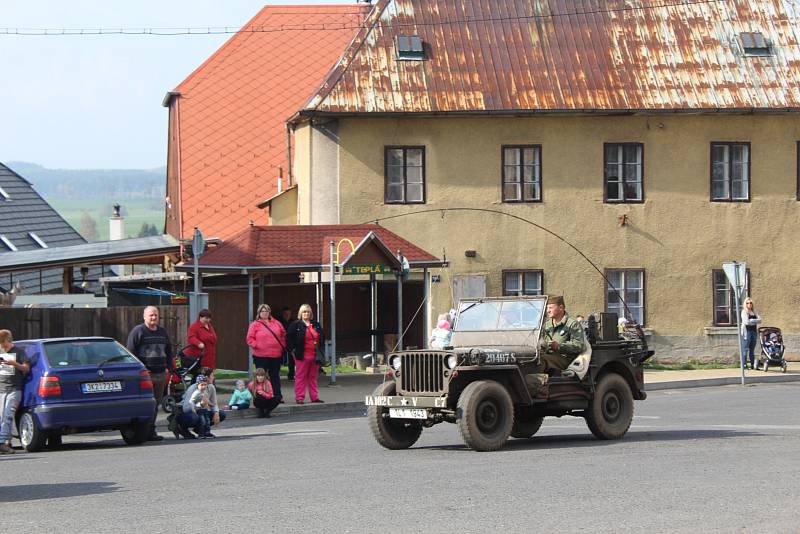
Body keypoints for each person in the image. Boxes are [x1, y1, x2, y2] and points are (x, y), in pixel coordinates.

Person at [126, 306, 173, 441]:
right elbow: (130, 352)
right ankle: (141, 432)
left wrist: (168, 367)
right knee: (145, 404)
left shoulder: (162, 332)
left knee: (156, 404)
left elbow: (169, 351)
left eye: (156, 315)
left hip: (160, 374)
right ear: (144, 316)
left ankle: (151, 432)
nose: (153, 318)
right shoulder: (138, 331)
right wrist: (142, 370)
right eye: (151, 315)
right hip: (146, 375)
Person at [246, 303, 286, 403]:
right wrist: (257, 345)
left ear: (269, 312)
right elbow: (249, 338)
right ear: (259, 313)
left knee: (275, 376)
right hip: (260, 355)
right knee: (260, 377)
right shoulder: (255, 324)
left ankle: (277, 396)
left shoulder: (277, 323)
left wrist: (282, 346)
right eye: (263, 311)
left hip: (275, 355)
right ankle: (260, 396)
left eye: (267, 311)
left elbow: (283, 335)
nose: (265, 313)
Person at [286, 303, 325, 404]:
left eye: (308, 311)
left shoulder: (316, 324)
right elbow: (288, 338)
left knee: (313, 377)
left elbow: (322, 337)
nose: (306, 313)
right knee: (300, 377)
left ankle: (314, 397)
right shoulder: (295, 325)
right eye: (304, 311)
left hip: (315, 355)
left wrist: (321, 348)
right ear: (300, 313)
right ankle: (299, 397)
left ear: (311, 313)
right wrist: (292, 351)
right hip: (301, 355)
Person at [0, 330, 30, 454]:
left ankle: (2, 443)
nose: (3, 347)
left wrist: (14, 364)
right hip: (1, 389)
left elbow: (26, 369)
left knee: (7, 415)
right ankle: (6, 442)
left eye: (4, 344)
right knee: (2, 417)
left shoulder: (19, 352)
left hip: (14, 389)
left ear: (9, 340)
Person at [537, 296, 585, 374]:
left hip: (565, 359)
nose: (547, 311)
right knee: (532, 358)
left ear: (561, 307)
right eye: (547, 308)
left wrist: (559, 346)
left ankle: (538, 384)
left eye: (550, 308)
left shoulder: (572, 324)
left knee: (540, 359)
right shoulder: (547, 325)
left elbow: (579, 345)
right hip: (550, 356)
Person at [176, 367, 226, 439]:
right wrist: (200, 405)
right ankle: (181, 427)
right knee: (195, 417)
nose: (214, 377)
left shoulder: (211, 387)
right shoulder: (194, 388)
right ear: (206, 377)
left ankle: (201, 430)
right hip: (186, 413)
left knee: (221, 414)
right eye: (212, 375)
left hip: (202, 410)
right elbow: (186, 408)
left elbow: (214, 403)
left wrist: (216, 413)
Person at [183, 309, 218, 380]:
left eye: (209, 318)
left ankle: (210, 389)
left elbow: (213, 338)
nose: (208, 320)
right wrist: (199, 343)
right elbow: (191, 338)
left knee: (210, 375)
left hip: (210, 356)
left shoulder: (210, 326)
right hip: (199, 357)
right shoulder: (194, 326)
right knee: (199, 376)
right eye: (206, 318)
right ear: (200, 317)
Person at [741, 297, 762, 370]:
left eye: (750, 303)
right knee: (745, 349)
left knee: (752, 349)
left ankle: (753, 365)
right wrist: (754, 321)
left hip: (754, 332)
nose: (749, 304)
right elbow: (746, 322)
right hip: (747, 332)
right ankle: (744, 365)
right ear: (745, 304)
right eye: (747, 303)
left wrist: (752, 320)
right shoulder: (744, 312)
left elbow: (760, 320)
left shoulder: (754, 312)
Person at [278, 306, 296, 380]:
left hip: (290, 343)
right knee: (278, 359)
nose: (287, 315)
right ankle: (276, 374)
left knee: (292, 360)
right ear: (283, 314)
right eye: (285, 314)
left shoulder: (293, 322)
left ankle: (291, 375)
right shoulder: (279, 322)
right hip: (280, 343)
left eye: (288, 314)